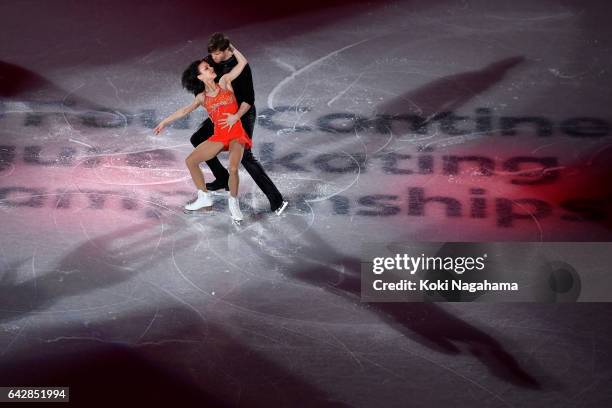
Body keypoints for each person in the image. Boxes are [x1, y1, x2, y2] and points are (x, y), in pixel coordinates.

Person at [190, 33, 288, 216]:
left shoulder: (240, 67)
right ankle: (222, 178)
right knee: (198, 138)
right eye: (212, 54)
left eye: (218, 53)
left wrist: (236, 117)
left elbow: (249, 100)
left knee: (245, 157)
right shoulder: (210, 62)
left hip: (242, 113)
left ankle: (277, 200)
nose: (214, 58)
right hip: (221, 113)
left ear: (227, 49)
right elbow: (201, 83)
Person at [153, 45, 251, 223]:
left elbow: (243, 62)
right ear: (200, 77)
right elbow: (184, 111)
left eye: (209, 66)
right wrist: (164, 122)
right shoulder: (202, 98)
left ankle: (233, 203)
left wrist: (231, 48)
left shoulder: (225, 82)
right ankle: (204, 198)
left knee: (234, 168)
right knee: (191, 160)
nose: (211, 67)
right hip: (219, 137)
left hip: (236, 134)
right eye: (206, 68)